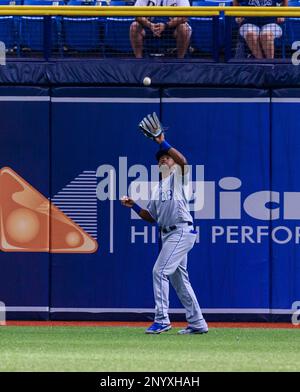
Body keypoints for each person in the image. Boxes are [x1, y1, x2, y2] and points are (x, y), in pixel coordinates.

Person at [121, 113, 208, 335]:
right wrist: (134, 206)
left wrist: (162, 142)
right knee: (180, 281)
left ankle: (162, 320)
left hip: (181, 230)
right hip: (168, 234)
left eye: (166, 158)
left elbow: (183, 161)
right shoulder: (157, 188)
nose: (163, 159)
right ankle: (197, 323)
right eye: (160, 158)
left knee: (159, 271)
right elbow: (152, 216)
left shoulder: (178, 177)